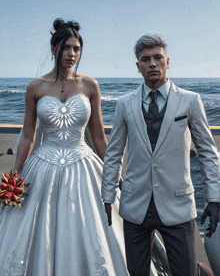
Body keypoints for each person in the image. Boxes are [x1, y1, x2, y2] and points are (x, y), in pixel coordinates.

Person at [0, 18, 131, 276]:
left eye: (76, 48)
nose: (72, 54)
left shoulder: (90, 85)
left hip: (83, 166)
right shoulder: (35, 87)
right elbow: (28, 136)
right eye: (66, 47)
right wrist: (15, 177)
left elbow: (99, 137)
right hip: (42, 167)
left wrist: (117, 174)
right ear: (53, 49)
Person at [101, 34, 220, 276]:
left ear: (167, 61)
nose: (152, 64)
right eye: (146, 59)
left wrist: (214, 198)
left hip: (178, 204)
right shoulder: (125, 104)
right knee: (137, 272)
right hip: (135, 205)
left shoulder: (189, 101)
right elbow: (114, 153)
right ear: (138, 66)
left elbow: (208, 152)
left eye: (158, 58)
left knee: (185, 271)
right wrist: (108, 194)